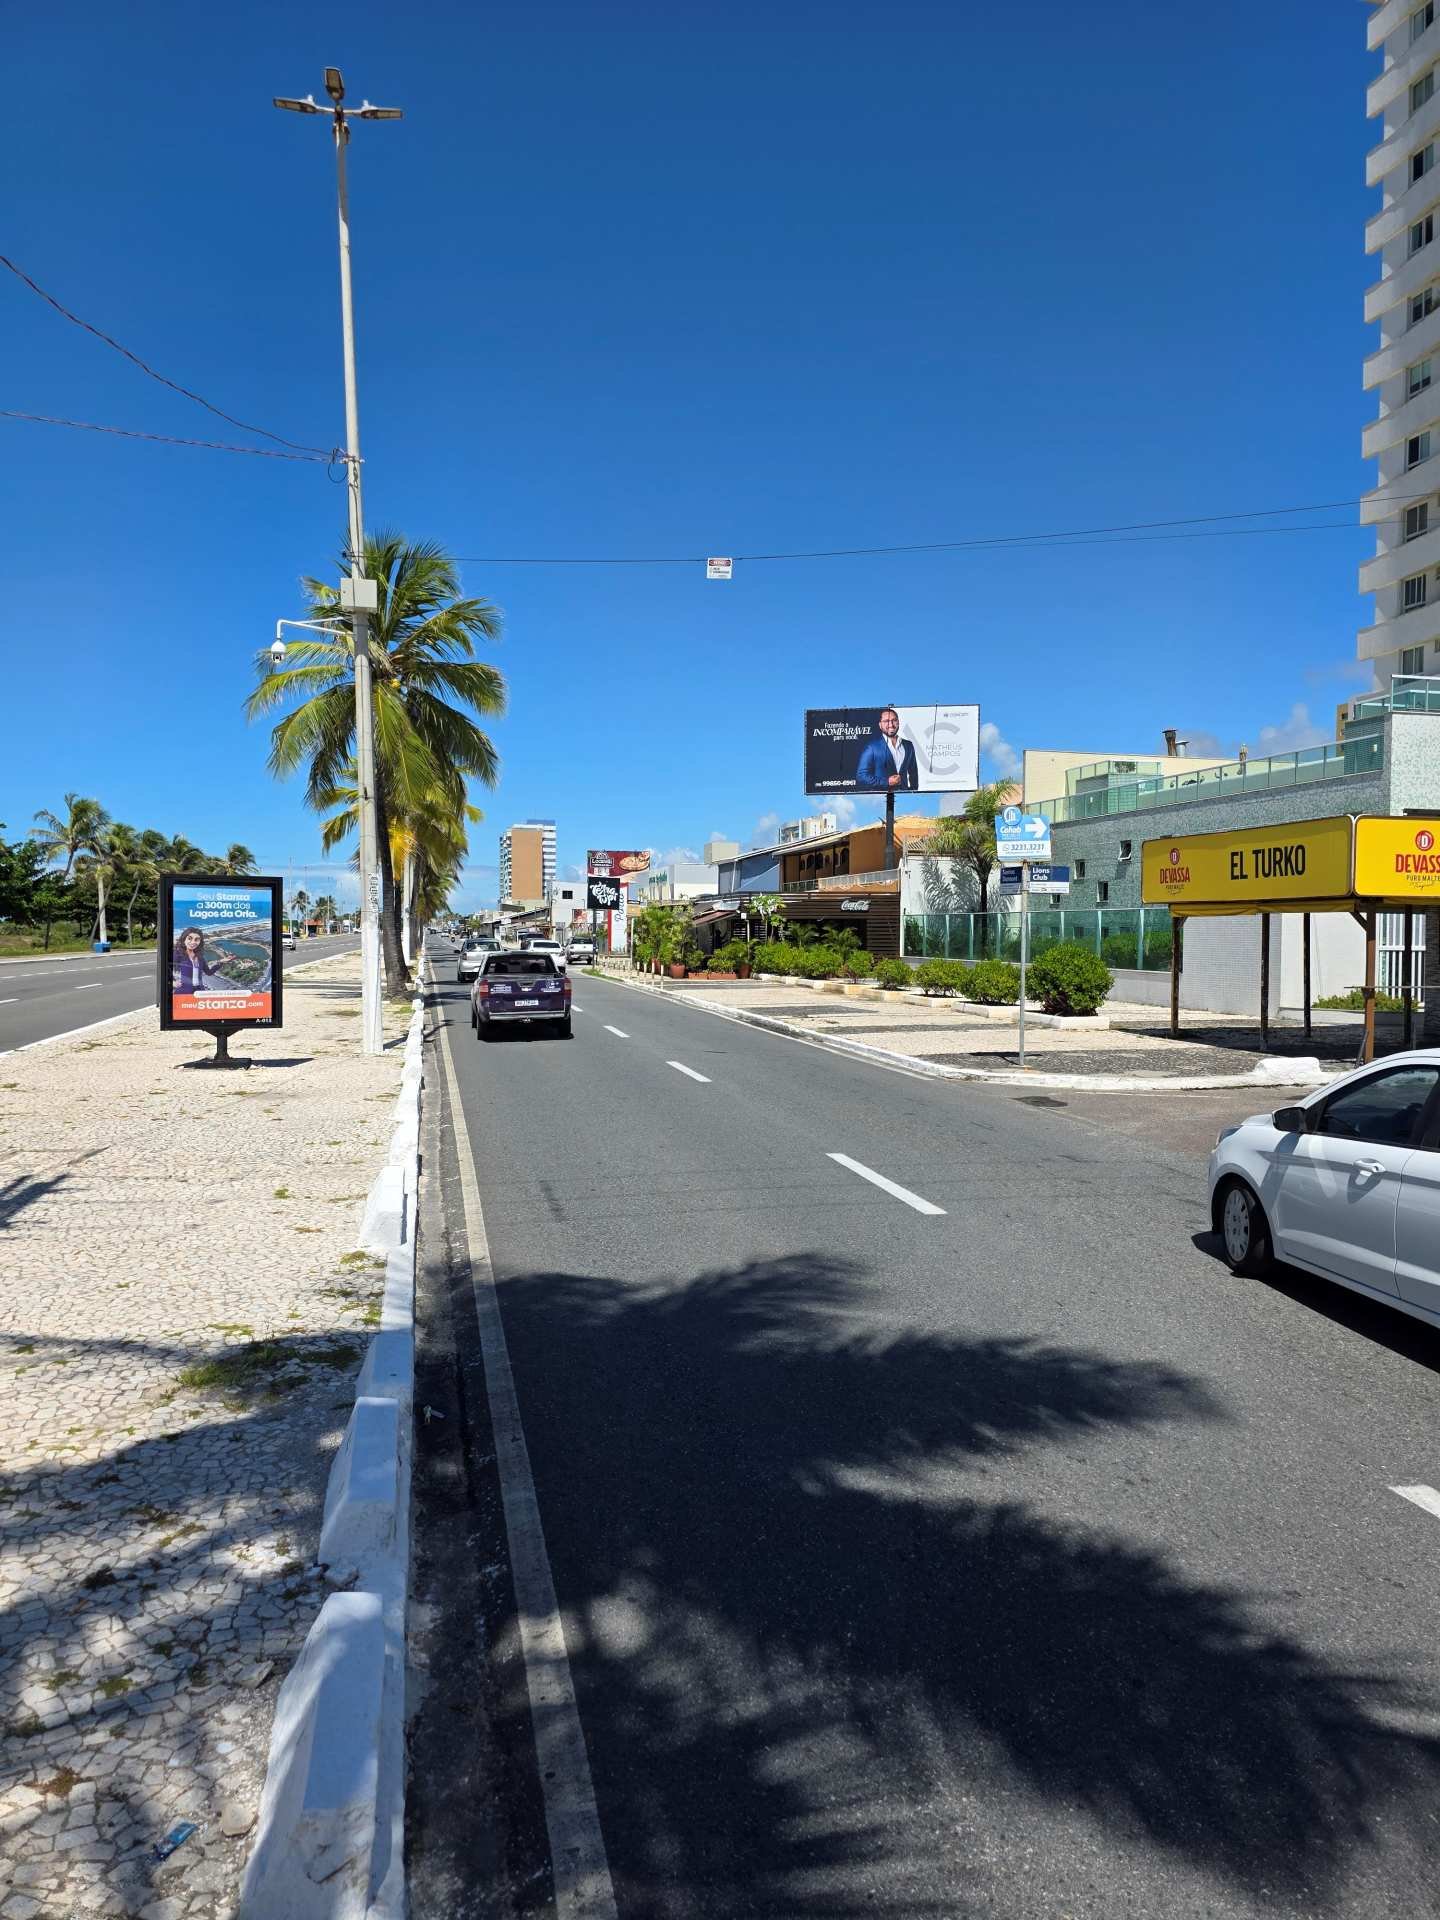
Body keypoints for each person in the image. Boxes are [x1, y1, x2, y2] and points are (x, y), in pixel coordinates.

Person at [855, 706, 918, 791]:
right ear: (880, 725)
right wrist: (887, 782)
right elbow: (861, 776)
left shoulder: (908, 745)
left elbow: (913, 773)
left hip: (904, 797)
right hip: (882, 796)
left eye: (894, 720)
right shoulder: (872, 747)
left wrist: (913, 792)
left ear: (898, 722)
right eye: (886, 721)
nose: (891, 724)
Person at [172, 926, 242, 995]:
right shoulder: (178, 954)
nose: (193, 942)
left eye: (196, 939)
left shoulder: (200, 957)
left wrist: (221, 962)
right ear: (184, 939)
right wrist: (173, 982)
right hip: (184, 992)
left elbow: (209, 972)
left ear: (200, 942)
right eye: (189, 938)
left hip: (199, 991)